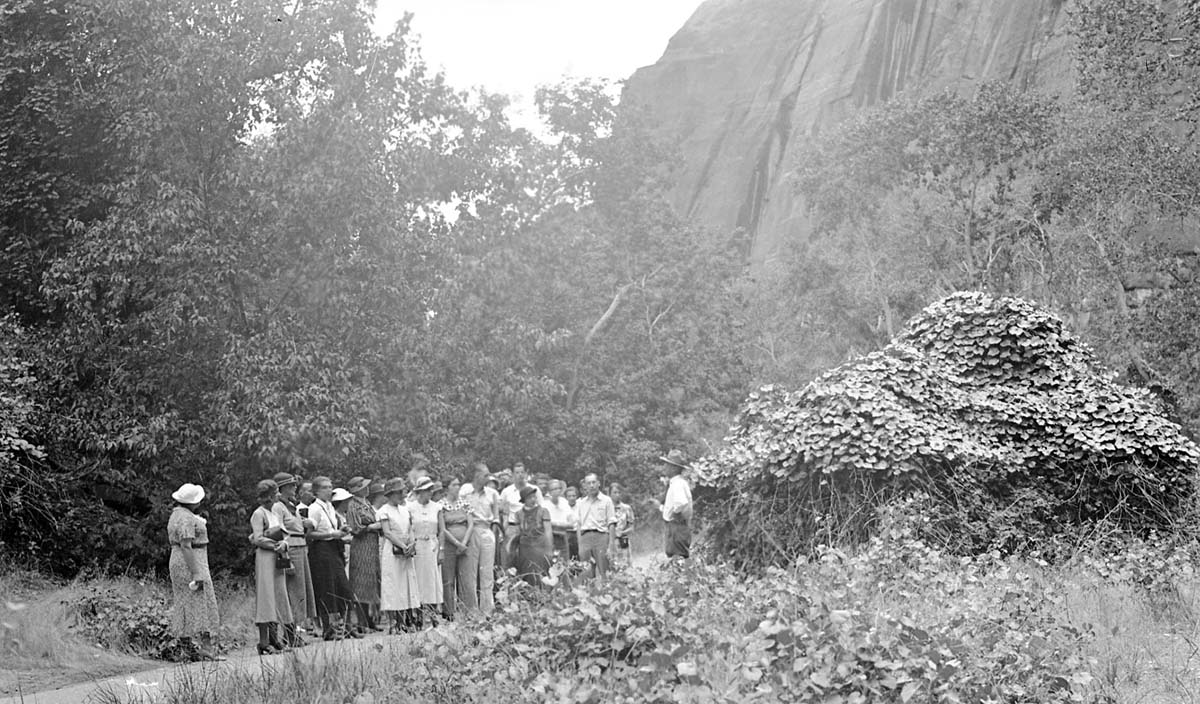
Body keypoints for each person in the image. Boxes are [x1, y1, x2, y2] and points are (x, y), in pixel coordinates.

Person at [166, 483, 223, 660]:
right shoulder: (185, 518)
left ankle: (187, 647)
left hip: (181, 559)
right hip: (190, 560)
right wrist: (196, 572)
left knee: (185, 602)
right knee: (202, 600)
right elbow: (186, 545)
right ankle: (205, 646)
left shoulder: (178, 514)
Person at [307, 476, 357, 640]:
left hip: (334, 547)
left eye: (330, 487)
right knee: (326, 587)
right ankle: (329, 628)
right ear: (317, 491)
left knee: (342, 586)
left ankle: (343, 626)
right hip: (321, 549)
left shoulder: (328, 506)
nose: (329, 490)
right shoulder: (315, 508)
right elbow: (309, 534)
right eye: (325, 488)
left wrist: (341, 530)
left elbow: (333, 527)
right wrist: (331, 534)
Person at [271, 472, 315, 646]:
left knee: (302, 591)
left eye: (294, 485)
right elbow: (278, 532)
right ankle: (290, 634)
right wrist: (284, 558)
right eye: (290, 486)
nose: (294, 488)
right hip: (291, 548)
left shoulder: (291, 506)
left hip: (301, 546)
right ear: (281, 489)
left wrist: (305, 523)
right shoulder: (278, 507)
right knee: (293, 592)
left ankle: (296, 631)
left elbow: (296, 525)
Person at [249, 479, 293, 654]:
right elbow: (258, 538)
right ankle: (263, 641)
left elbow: (283, 533)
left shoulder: (274, 512)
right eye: (275, 493)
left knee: (278, 594)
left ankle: (275, 639)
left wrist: (284, 544)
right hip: (266, 556)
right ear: (268, 496)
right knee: (266, 595)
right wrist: (275, 545)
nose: (278, 495)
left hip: (277, 556)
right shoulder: (258, 514)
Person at [378, 477, 420, 632]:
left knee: (406, 584)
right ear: (391, 494)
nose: (402, 495)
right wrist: (402, 546)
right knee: (392, 584)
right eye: (398, 492)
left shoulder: (405, 510)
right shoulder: (384, 511)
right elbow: (387, 532)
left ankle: (406, 620)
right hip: (393, 550)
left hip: (406, 550)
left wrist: (411, 543)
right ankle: (393, 622)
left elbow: (410, 528)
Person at [459, 463, 500, 614]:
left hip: (487, 530)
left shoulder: (492, 493)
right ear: (476, 476)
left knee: (487, 571)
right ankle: (471, 609)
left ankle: (487, 609)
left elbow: (496, 517)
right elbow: (459, 510)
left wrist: (493, 533)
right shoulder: (465, 491)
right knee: (470, 571)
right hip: (470, 530)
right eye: (485, 475)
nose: (488, 478)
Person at [345, 476, 383, 634]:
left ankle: (369, 619)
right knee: (360, 583)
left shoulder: (366, 503)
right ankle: (361, 621)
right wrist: (372, 527)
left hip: (372, 545)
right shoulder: (353, 505)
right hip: (361, 545)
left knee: (371, 582)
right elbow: (356, 527)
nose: (367, 489)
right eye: (363, 487)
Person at [439, 478, 477, 620]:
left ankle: (467, 612)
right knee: (448, 578)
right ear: (447, 487)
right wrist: (456, 543)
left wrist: (464, 542)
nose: (457, 487)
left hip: (466, 545)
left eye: (458, 484)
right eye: (454, 484)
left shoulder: (465, 503)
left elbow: (471, 524)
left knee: (466, 577)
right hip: (449, 545)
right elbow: (443, 528)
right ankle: (448, 612)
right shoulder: (441, 505)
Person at [407, 476, 443, 626]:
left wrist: (441, 549)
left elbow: (442, 530)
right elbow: (408, 528)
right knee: (419, 580)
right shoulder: (410, 508)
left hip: (432, 545)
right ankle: (419, 616)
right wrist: (411, 543)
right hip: (418, 545)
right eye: (427, 490)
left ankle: (433, 614)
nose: (430, 493)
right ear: (420, 492)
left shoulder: (437, 507)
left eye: (431, 490)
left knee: (433, 580)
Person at [574, 473, 618, 582]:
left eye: (594, 482)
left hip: (601, 537)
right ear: (585, 486)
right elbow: (578, 525)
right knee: (586, 571)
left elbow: (611, 522)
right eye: (589, 483)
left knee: (605, 570)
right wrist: (580, 546)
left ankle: (608, 593)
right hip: (585, 538)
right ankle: (588, 595)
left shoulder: (606, 500)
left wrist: (611, 544)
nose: (592, 485)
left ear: (598, 483)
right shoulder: (580, 503)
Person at [499, 463, 541, 569]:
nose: (520, 475)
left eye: (522, 472)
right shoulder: (506, 492)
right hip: (513, 527)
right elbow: (502, 510)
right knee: (509, 557)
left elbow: (541, 508)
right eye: (517, 473)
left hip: (531, 528)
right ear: (513, 475)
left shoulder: (534, 489)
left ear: (526, 474)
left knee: (530, 558)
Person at [511, 485, 553, 586]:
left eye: (534, 497)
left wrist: (549, 548)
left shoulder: (543, 511)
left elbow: (548, 531)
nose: (533, 499)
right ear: (524, 500)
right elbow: (517, 533)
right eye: (530, 497)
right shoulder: (518, 514)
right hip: (525, 549)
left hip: (540, 547)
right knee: (527, 573)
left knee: (542, 573)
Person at [657, 450, 694, 559]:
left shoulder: (677, 484)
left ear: (674, 468)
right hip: (675, 526)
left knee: (677, 557)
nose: (665, 467)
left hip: (676, 526)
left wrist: (675, 513)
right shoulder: (676, 483)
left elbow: (681, 503)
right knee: (675, 556)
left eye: (667, 465)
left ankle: (681, 576)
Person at [544, 480, 578, 559]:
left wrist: (555, 524)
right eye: (554, 489)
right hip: (550, 538)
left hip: (563, 537)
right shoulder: (545, 505)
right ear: (549, 491)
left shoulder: (564, 502)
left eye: (559, 488)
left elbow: (572, 523)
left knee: (564, 561)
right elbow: (546, 524)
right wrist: (563, 524)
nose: (557, 491)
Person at [610, 483, 635, 568]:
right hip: (611, 541)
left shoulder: (626, 508)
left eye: (619, 492)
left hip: (623, 540)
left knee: (626, 566)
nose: (617, 495)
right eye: (614, 492)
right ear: (610, 494)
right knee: (613, 566)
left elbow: (632, 528)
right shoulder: (607, 508)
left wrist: (622, 532)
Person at [563, 485, 581, 560]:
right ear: (566, 497)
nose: (572, 498)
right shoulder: (563, 507)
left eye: (573, 496)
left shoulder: (580, 506)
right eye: (569, 496)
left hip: (578, 534)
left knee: (578, 556)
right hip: (567, 534)